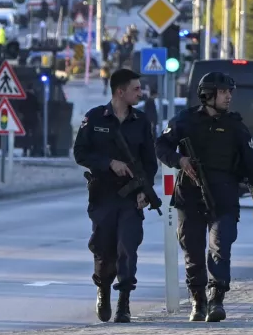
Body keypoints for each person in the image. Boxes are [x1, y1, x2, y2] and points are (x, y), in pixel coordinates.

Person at [156, 71, 253, 322]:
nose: (229, 96)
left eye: (230, 92)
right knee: (193, 252)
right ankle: (198, 301)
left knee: (220, 247)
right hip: (189, 195)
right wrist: (179, 159)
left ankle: (216, 298)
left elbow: (250, 166)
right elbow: (161, 145)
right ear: (208, 94)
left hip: (224, 196)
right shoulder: (184, 121)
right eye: (223, 92)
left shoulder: (236, 126)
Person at [73, 68, 158, 324]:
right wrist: (108, 162)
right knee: (104, 248)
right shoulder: (95, 118)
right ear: (120, 91)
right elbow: (80, 153)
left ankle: (124, 303)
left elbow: (149, 162)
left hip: (131, 198)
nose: (140, 92)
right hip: (102, 195)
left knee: (127, 247)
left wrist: (145, 190)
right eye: (135, 88)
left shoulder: (141, 121)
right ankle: (103, 289)